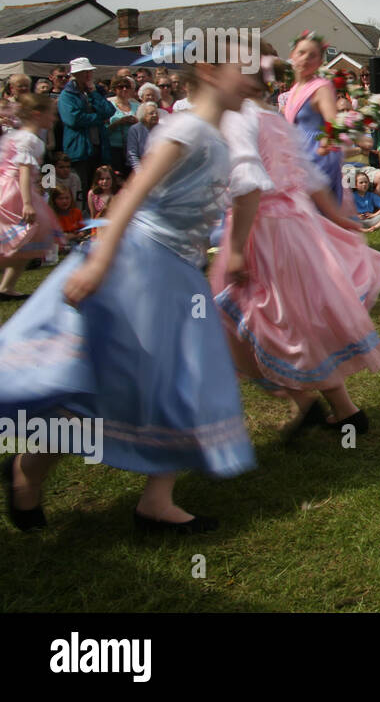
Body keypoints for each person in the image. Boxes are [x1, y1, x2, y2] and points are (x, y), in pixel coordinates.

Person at [0, 40, 256, 534]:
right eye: (243, 71)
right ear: (209, 70)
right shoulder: (186, 128)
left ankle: (156, 500)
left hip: (178, 272)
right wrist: (99, 266)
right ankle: (26, 472)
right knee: (105, 381)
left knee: (182, 378)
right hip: (139, 266)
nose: (252, 81)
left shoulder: (217, 135)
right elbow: (132, 194)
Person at [209, 52, 380, 439]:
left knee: (250, 320)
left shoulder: (242, 120)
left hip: (263, 228)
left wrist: (237, 247)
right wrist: (337, 219)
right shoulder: (275, 118)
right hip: (295, 226)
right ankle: (334, 409)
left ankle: (319, 403)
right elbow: (309, 178)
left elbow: (248, 184)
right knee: (295, 319)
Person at [0, 95, 62, 300]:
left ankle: (7, 287)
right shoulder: (29, 139)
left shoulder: (18, 135)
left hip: (17, 187)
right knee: (20, 238)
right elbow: (23, 170)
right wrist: (27, 203)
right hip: (16, 191)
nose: (53, 119)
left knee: (27, 240)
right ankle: (6, 283)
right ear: (38, 114)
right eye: (51, 114)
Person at [279, 31, 343, 204]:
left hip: (316, 156)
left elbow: (334, 123)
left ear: (320, 62)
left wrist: (325, 146)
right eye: (301, 53)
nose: (306, 58)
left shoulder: (320, 87)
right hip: (297, 152)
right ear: (292, 55)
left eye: (312, 55)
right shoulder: (294, 89)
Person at [57, 57, 114, 201]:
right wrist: (98, 118)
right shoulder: (67, 95)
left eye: (89, 72)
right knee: (80, 186)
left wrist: (94, 93)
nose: (88, 76)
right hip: (79, 148)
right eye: (84, 72)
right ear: (75, 74)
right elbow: (72, 119)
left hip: (98, 146)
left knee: (98, 186)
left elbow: (109, 111)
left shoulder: (95, 91)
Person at [105, 76, 140, 178]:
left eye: (127, 87)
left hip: (133, 148)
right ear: (114, 89)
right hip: (114, 148)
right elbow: (104, 130)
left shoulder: (137, 106)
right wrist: (119, 122)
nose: (124, 89)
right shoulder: (109, 105)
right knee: (117, 177)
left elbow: (143, 126)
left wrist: (136, 121)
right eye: (121, 87)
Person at [126, 102, 161, 172]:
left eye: (156, 113)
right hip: (140, 167)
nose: (155, 115)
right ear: (143, 115)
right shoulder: (135, 129)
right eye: (151, 113)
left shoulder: (162, 129)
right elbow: (132, 154)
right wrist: (139, 171)